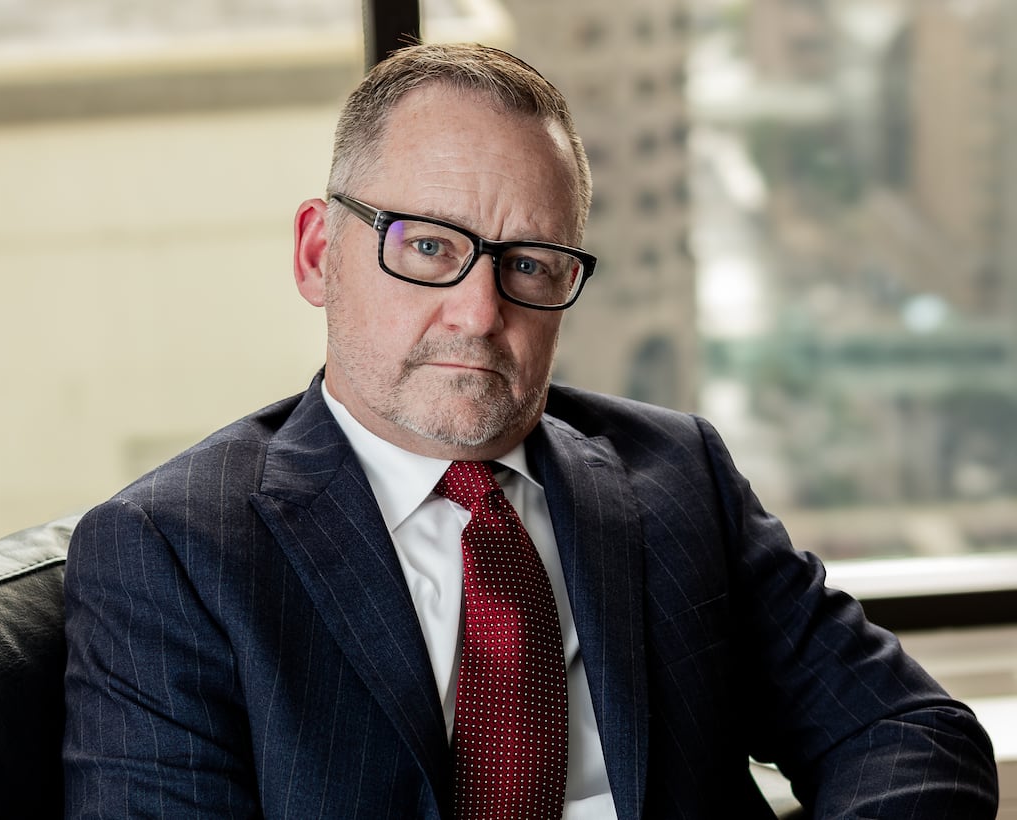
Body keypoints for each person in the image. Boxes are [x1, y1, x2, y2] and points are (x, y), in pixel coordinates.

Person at [62, 43, 999, 818]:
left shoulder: (678, 475)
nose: (478, 311)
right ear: (319, 255)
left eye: (531, 262)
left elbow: (906, 731)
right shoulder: (171, 552)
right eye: (429, 246)